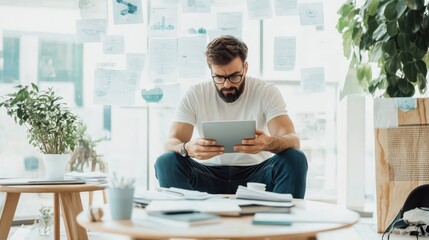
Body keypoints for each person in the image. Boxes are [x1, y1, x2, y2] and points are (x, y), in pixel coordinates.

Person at [155, 35, 308, 198]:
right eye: (219, 78)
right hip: (207, 175)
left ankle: (281, 219)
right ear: (211, 72)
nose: (227, 84)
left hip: (256, 176)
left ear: (246, 68)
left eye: (235, 76)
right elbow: (171, 142)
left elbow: (293, 139)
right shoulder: (195, 94)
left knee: (295, 158)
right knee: (166, 161)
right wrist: (186, 148)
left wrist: (268, 143)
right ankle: (186, 217)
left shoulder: (266, 91)